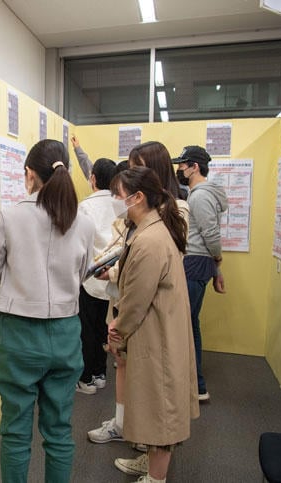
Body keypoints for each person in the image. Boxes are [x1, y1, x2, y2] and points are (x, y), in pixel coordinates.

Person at [0, 139, 95, 483]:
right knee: (59, 431)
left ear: (30, 173)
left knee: (15, 431)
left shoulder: (9, 216)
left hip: (18, 335)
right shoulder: (83, 222)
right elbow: (84, 275)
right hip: (65, 333)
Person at [88, 142, 189, 457]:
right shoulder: (140, 218)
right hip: (127, 301)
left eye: (137, 167)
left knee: (153, 383)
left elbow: (149, 267)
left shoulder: (169, 215)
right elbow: (128, 252)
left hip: (146, 309)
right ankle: (126, 426)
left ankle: (150, 451)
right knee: (128, 370)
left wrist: (117, 277)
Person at [106, 166, 199, 483]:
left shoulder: (149, 240)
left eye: (118, 195)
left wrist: (117, 329)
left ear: (138, 197)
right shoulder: (152, 230)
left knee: (160, 405)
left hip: (155, 333)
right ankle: (151, 464)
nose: (115, 201)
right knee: (152, 402)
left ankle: (156, 477)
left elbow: (136, 299)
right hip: (156, 328)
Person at [172, 145, 229, 401]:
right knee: (190, 323)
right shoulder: (199, 194)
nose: (179, 169)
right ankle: (196, 384)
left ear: (194, 167)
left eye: (182, 165)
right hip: (200, 263)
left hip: (194, 263)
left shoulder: (200, 196)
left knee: (183, 325)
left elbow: (210, 234)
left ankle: (194, 385)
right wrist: (215, 267)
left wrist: (217, 259)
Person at [76, 158, 118, 395]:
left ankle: (87, 378)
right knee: (105, 327)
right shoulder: (120, 203)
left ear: (93, 178)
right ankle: (101, 373)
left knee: (87, 330)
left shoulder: (85, 206)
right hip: (113, 277)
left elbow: (79, 243)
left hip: (91, 278)